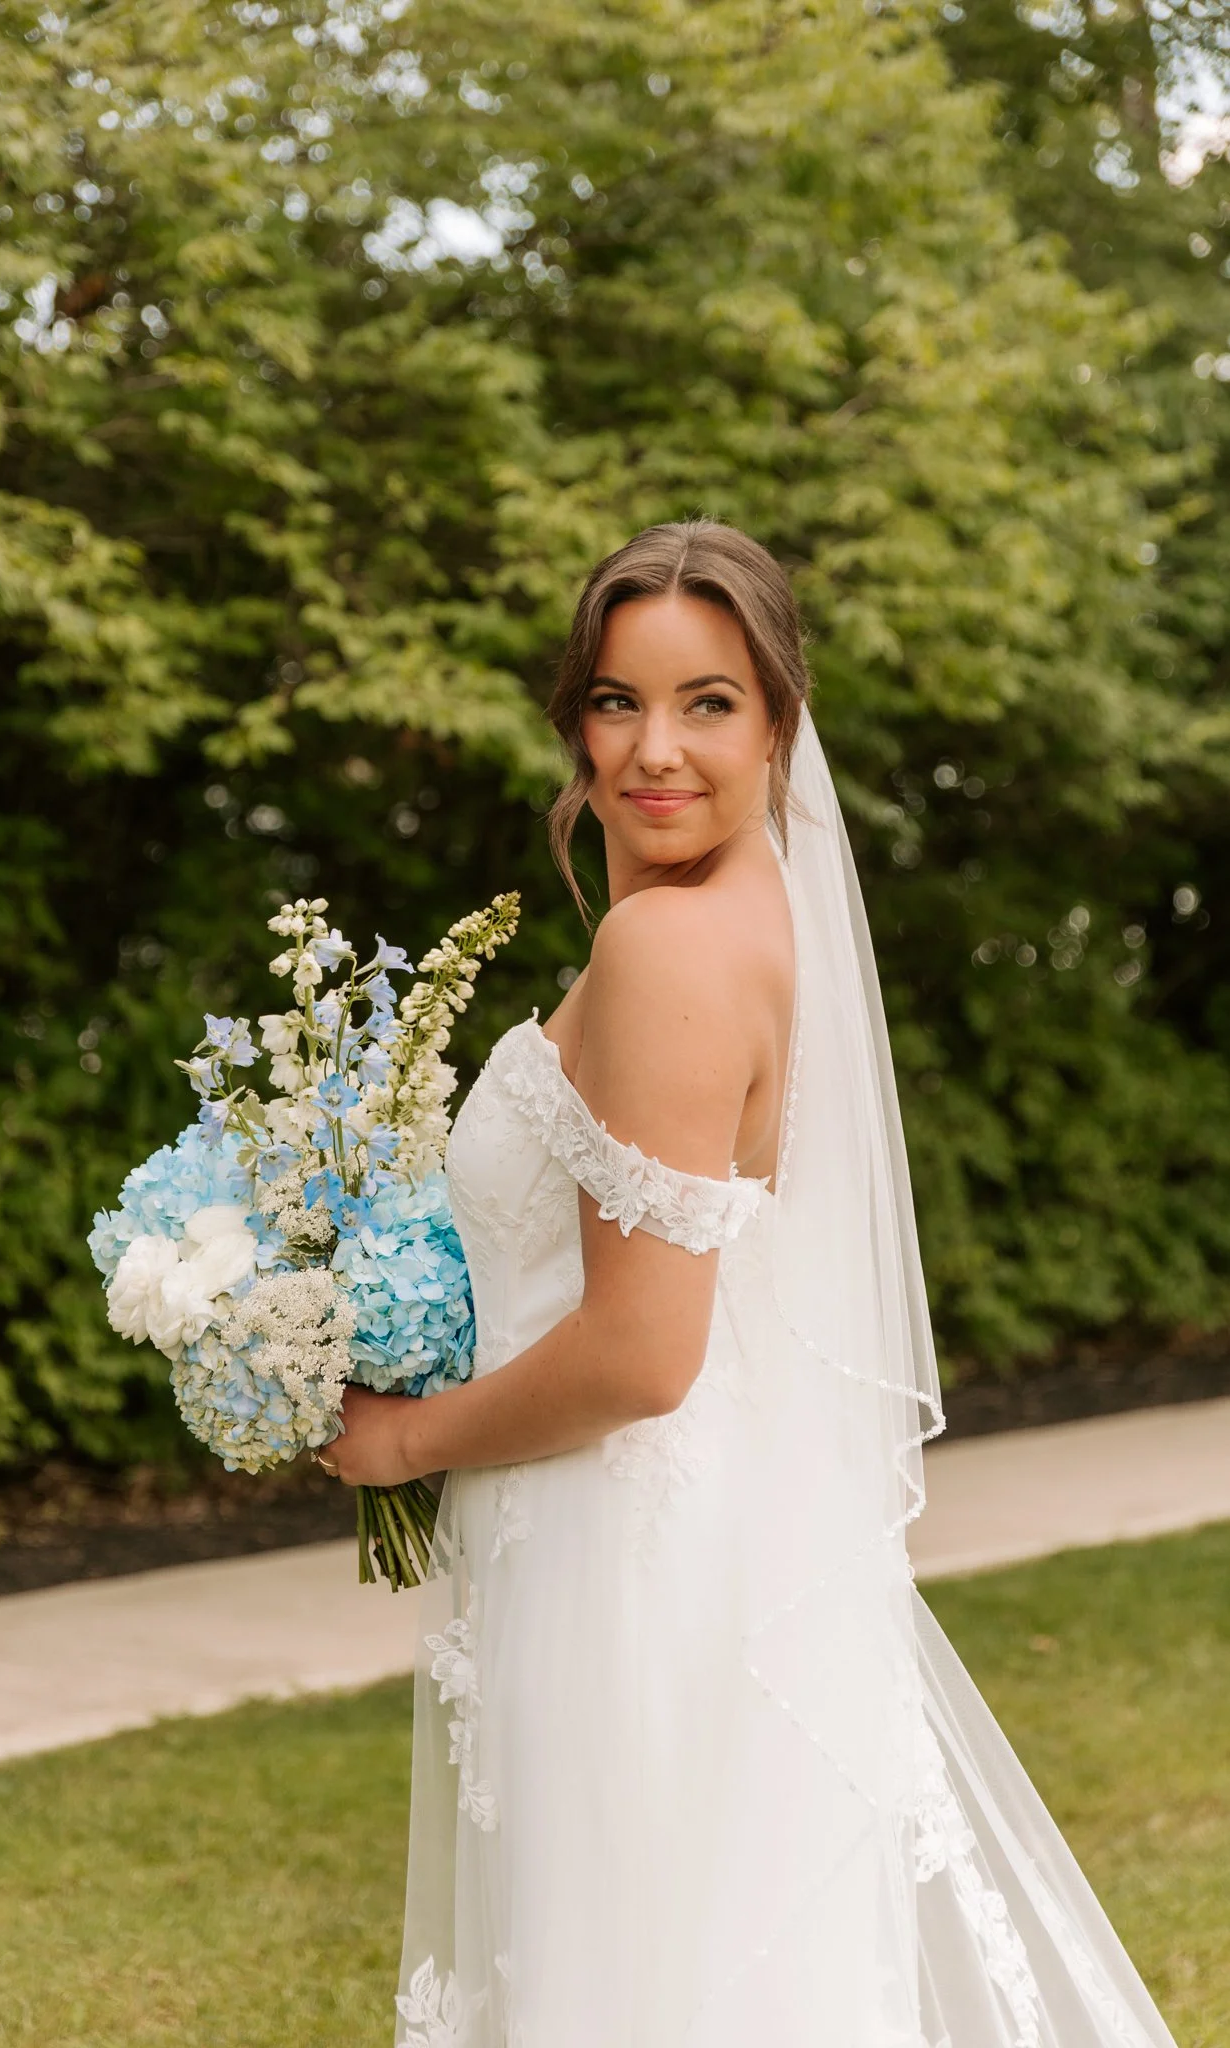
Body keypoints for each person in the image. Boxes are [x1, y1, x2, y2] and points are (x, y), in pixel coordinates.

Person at [329, 521, 1180, 2047]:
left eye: (708, 701)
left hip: (626, 1563)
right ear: (574, 725)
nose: (654, 748)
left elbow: (644, 1351)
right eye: (614, 701)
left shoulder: (667, 948)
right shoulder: (739, 920)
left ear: (779, 723)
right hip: (673, 1543)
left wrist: (397, 1437)